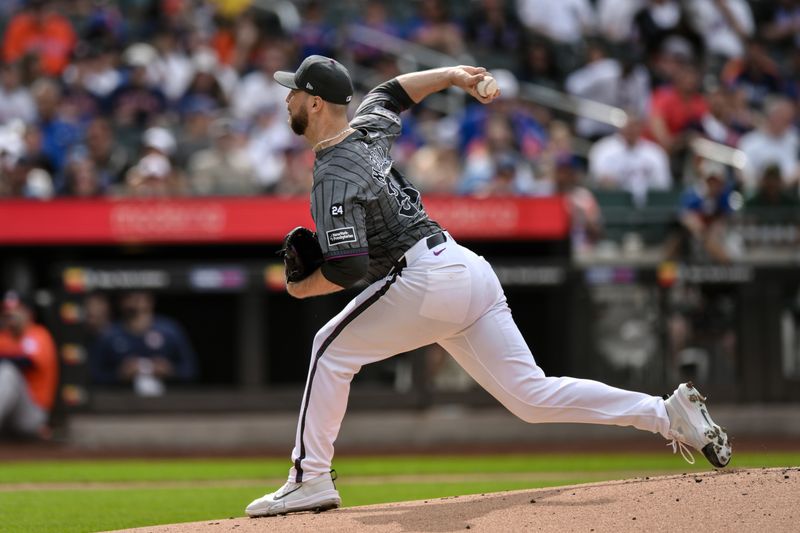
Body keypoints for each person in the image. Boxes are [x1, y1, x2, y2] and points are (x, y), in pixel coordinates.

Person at [244, 55, 732, 518]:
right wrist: (454, 74)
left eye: (293, 92)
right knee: (532, 398)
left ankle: (310, 478)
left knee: (327, 349)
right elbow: (391, 93)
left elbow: (348, 269)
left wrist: (300, 287)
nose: (285, 99)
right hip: (465, 268)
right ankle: (666, 414)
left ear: (313, 103)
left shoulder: (332, 172)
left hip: (425, 277)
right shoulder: (366, 130)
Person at [91, 291, 197, 396]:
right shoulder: (109, 335)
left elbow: (190, 370)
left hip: (168, 399)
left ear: (150, 300)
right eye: (128, 297)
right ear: (121, 302)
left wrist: (170, 370)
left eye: (139, 296)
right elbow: (94, 375)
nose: (134, 301)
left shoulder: (170, 331)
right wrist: (120, 374)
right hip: (121, 400)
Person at [0, 291, 58, 440]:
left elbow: (28, 362)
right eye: (7, 311)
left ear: (28, 313)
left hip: (32, 413)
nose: (10, 315)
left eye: (15, 310)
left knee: (8, 372)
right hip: (8, 415)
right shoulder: (3, 338)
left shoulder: (38, 334)